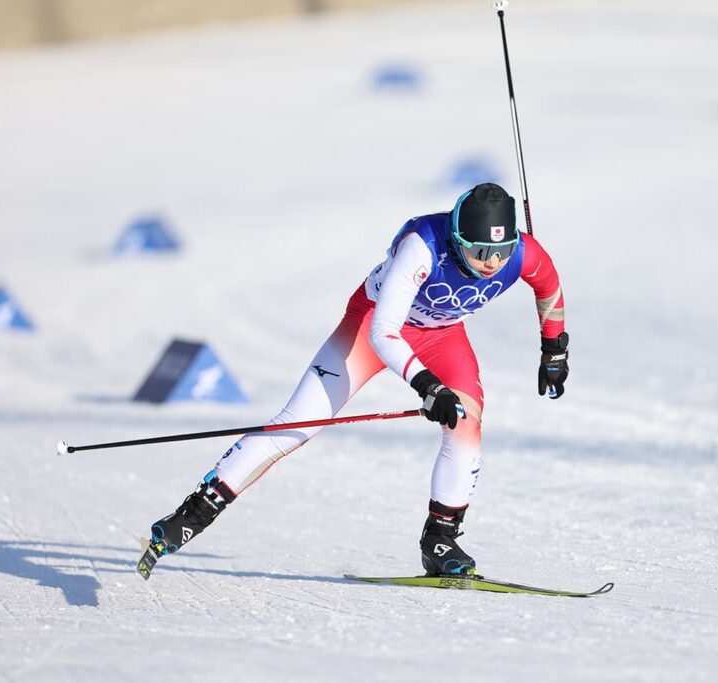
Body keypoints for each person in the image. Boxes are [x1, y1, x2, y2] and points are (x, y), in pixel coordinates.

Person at [146, 183, 568, 577]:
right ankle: (193, 514)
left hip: (442, 335)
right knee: (298, 425)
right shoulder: (423, 248)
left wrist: (554, 349)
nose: (492, 263)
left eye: (501, 249)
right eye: (479, 251)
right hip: (372, 325)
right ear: (458, 239)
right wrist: (427, 386)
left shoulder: (521, 254)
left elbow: (547, 286)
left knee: (465, 424)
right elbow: (384, 330)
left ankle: (440, 540)